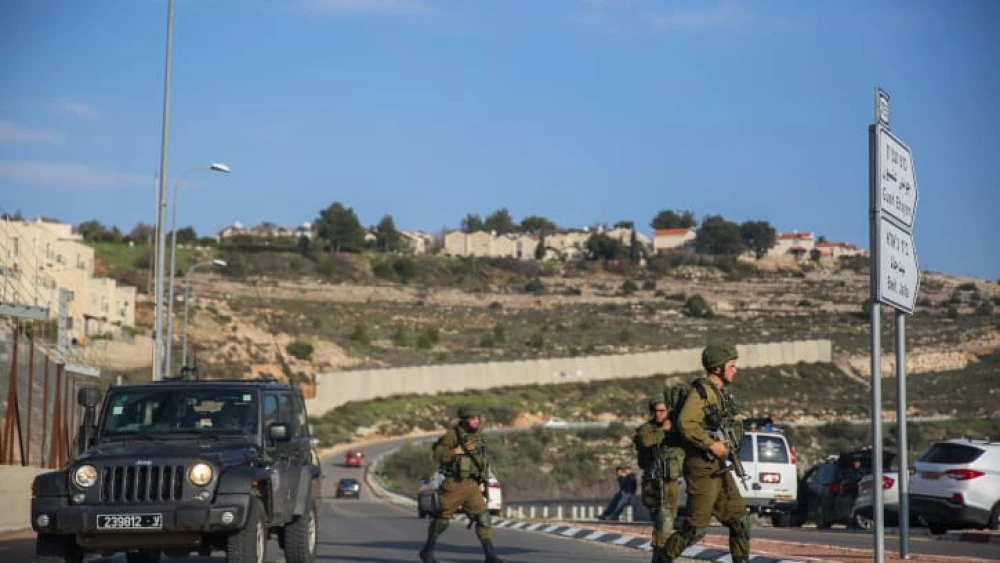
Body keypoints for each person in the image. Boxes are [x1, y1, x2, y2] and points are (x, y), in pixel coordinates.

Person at [660, 343, 753, 563]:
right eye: (731, 365)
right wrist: (711, 444)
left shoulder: (718, 393)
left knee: (740, 520)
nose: (735, 370)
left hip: (719, 467)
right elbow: (686, 423)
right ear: (717, 368)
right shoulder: (701, 393)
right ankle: (662, 558)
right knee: (695, 529)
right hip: (702, 468)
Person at [419, 405, 506, 563]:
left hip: (472, 485)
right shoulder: (452, 435)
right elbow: (438, 454)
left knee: (483, 518)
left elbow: (480, 461)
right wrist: (456, 451)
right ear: (464, 420)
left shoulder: (478, 436)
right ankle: (427, 551)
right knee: (442, 519)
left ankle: (490, 556)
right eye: (473, 419)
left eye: (477, 418)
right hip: (455, 483)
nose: (476, 421)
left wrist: (480, 480)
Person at [634, 396, 683, 561]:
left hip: (672, 482)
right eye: (655, 411)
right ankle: (661, 556)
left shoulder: (676, 428)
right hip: (653, 481)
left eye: (662, 411)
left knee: (668, 521)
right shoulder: (647, 429)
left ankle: (660, 556)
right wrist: (663, 430)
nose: (658, 414)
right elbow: (646, 441)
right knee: (662, 519)